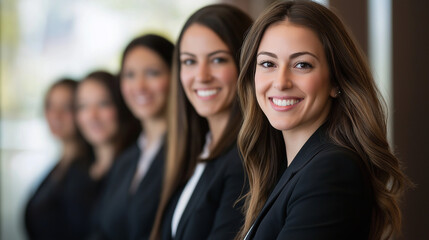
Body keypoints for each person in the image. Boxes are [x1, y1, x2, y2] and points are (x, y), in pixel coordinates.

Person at [236, 1, 410, 240]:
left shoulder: (331, 171)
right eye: (268, 63)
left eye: (302, 65)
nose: (280, 82)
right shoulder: (288, 168)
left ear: (336, 81)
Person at [150, 4, 252, 240]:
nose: (202, 76)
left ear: (246, 62)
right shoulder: (199, 150)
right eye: (189, 61)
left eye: (217, 60)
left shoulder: (243, 161)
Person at [90, 34, 173, 240]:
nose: (139, 86)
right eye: (130, 75)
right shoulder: (127, 158)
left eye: (152, 73)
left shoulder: (187, 153)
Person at [25, 78, 92, 240]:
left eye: (66, 107)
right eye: (50, 105)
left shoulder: (85, 172)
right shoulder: (61, 164)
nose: (56, 115)